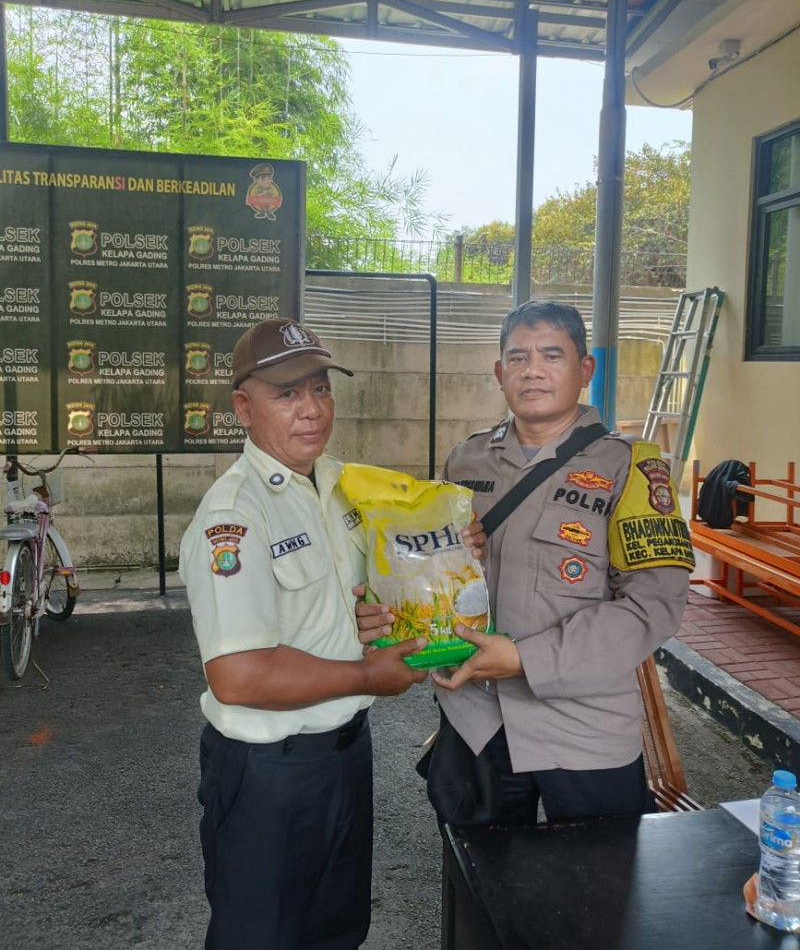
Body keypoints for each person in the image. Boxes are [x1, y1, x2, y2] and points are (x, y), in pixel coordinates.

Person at [358, 300, 695, 824]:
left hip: (584, 731)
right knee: (480, 873)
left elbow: (653, 606)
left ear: (585, 369)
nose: (532, 370)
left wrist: (525, 660)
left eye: (551, 355)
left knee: (596, 873)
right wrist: (395, 606)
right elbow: (438, 573)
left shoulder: (630, 466)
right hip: (478, 722)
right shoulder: (465, 459)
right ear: (500, 373)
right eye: (517, 358)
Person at [179, 317, 430, 950]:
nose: (313, 408)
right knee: (261, 937)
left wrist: (454, 544)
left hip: (347, 758)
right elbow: (238, 676)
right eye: (287, 394)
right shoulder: (235, 515)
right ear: (244, 408)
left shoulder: (344, 485)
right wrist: (368, 675)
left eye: (321, 388)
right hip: (269, 774)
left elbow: (374, 589)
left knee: (336, 931)